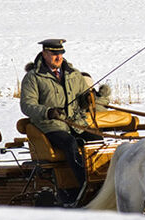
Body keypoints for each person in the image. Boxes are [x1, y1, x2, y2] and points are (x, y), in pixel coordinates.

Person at [19, 38, 102, 205]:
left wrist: (88, 100)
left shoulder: (74, 74)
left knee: (97, 141)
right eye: (54, 54)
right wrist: (48, 112)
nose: (58, 57)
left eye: (61, 53)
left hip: (75, 123)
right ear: (44, 54)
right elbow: (27, 105)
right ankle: (83, 185)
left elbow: (82, 99)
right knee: (70, 143)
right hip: (49, 126)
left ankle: (100, 181)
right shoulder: (33, 77)